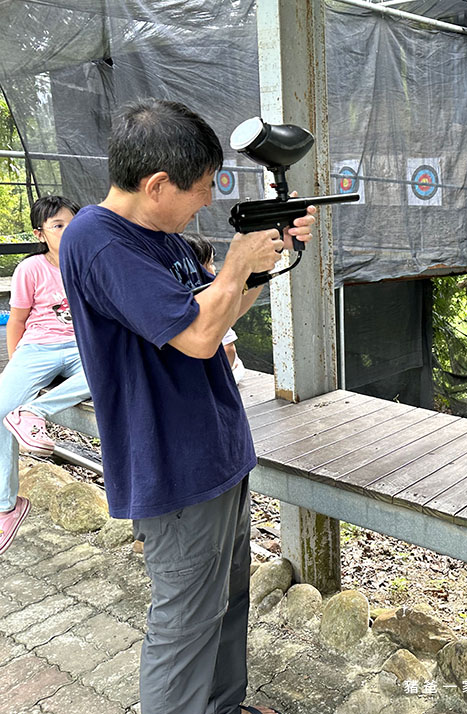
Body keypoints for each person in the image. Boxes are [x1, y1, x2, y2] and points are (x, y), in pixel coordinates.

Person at [60, 98, 315, 714]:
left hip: (215, 449)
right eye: (200, 189)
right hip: (172, 464)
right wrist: (235, 263)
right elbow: (200, 339)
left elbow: (213, 318)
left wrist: (260, 265)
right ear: (156, 185)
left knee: (226, 601)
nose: (207, 201)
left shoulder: (159, 236)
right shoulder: (99, 243)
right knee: (183, 624)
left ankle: (223, 707)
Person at [0, 195, 91, 556]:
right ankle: (6, 505)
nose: (67, 231)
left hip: (83, 348)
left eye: (72, 223)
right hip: (38, 348)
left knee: (111, 374)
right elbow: (18, 321)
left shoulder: (88, 263)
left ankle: (36, 412)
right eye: (57, 226)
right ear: (41, 233)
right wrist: (15, 366)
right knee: (0, 407)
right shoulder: (31, 269)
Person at [181, 232, 246, 384]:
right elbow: (228, 348)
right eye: (210, 263)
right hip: (216, 375)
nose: (214, 268)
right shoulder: (210, 302)